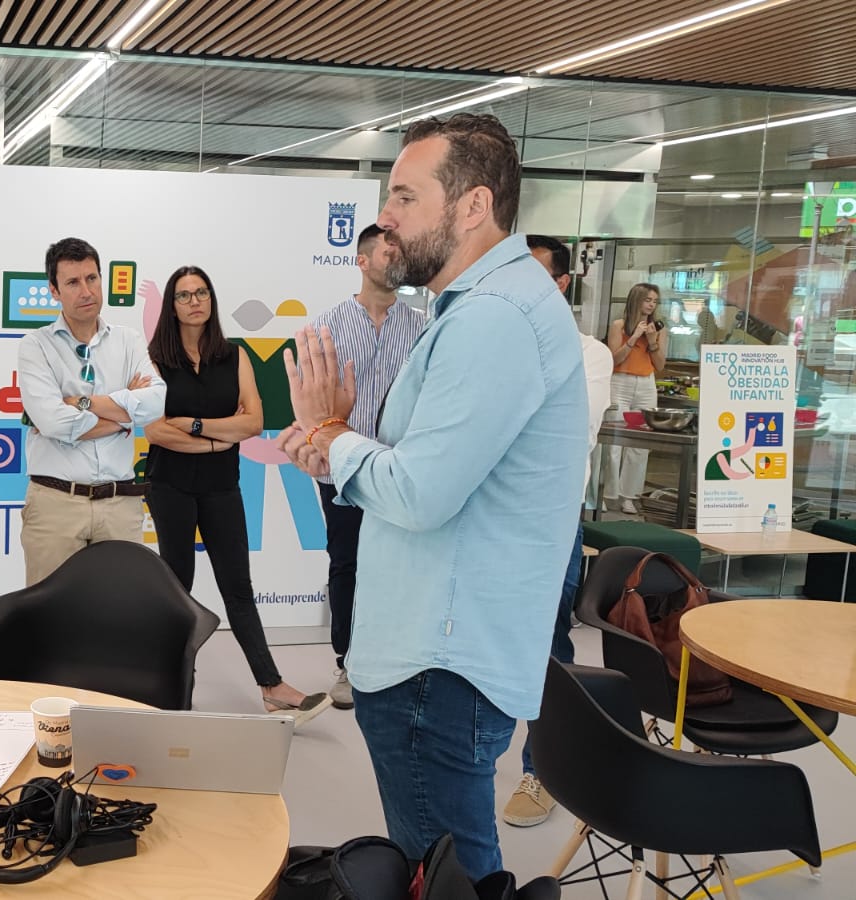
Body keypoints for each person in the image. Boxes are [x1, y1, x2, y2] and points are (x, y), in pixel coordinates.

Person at [281, 113, 587, 878]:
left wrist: (332, 433)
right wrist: (337, 445)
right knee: (448, 869)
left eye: (405, 197)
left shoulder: (494, 318)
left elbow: (420, 492)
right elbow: (432, 469)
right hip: (441, 655)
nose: (385, 217)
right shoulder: (483, 306)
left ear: (473, 206)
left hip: (438, 667)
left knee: (448, 876)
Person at [144, 266, 328, 723]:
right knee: (177, 588)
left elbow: (252, 422)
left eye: (201, 292)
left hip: (221, 486)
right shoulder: (154, 360)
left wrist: (196, 426)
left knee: (238, 588)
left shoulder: (234, 356)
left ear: (211, 299)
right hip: (169, 485)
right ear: (171, 306)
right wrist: (216, 439)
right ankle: (173, 682)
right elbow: (155, 430)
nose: (195, 301)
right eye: (184, 295)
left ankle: (272, 686)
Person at [503, 234, 614, 828]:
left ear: (563, 283)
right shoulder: (493, 342)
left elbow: (569, 432)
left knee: (547, 645)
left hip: (550, 523)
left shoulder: (589, 353)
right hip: (488, 518)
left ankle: (542, 769)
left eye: (535, 274)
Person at [309, 224, 426, 710]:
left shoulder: (423, 327)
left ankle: (396, 662)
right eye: (387, 250)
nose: (397, 257)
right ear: (362, 261)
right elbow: (314, 401)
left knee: (402, 567)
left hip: (402, 470)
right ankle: (348, 662)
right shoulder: (328, 326)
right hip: (343, 468)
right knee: (348, 563)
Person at [18, 237, 166, 586]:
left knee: (120, 609)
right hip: (56, 505)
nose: (86, 291)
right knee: (51, 612)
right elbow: (54, 422)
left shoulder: (128, 341)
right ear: (54, 291)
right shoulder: (36, 345)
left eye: (92, 278)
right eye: (72, 282)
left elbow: (156, 403)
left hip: (119, 506)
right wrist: (124, 416)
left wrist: (81, 403)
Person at [604, 283, 666, 515]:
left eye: (655, 301)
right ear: (636, 300)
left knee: (640, 443)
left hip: (646, 384)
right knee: (614, 441)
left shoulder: (658, 329)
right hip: (620, 381)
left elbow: (660, 365)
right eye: (647, 300)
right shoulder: (619, 326)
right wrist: (634, 337)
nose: (651, 305)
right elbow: (614, 360)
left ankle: (629, 495)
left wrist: (652, 341)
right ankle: (608, 492)